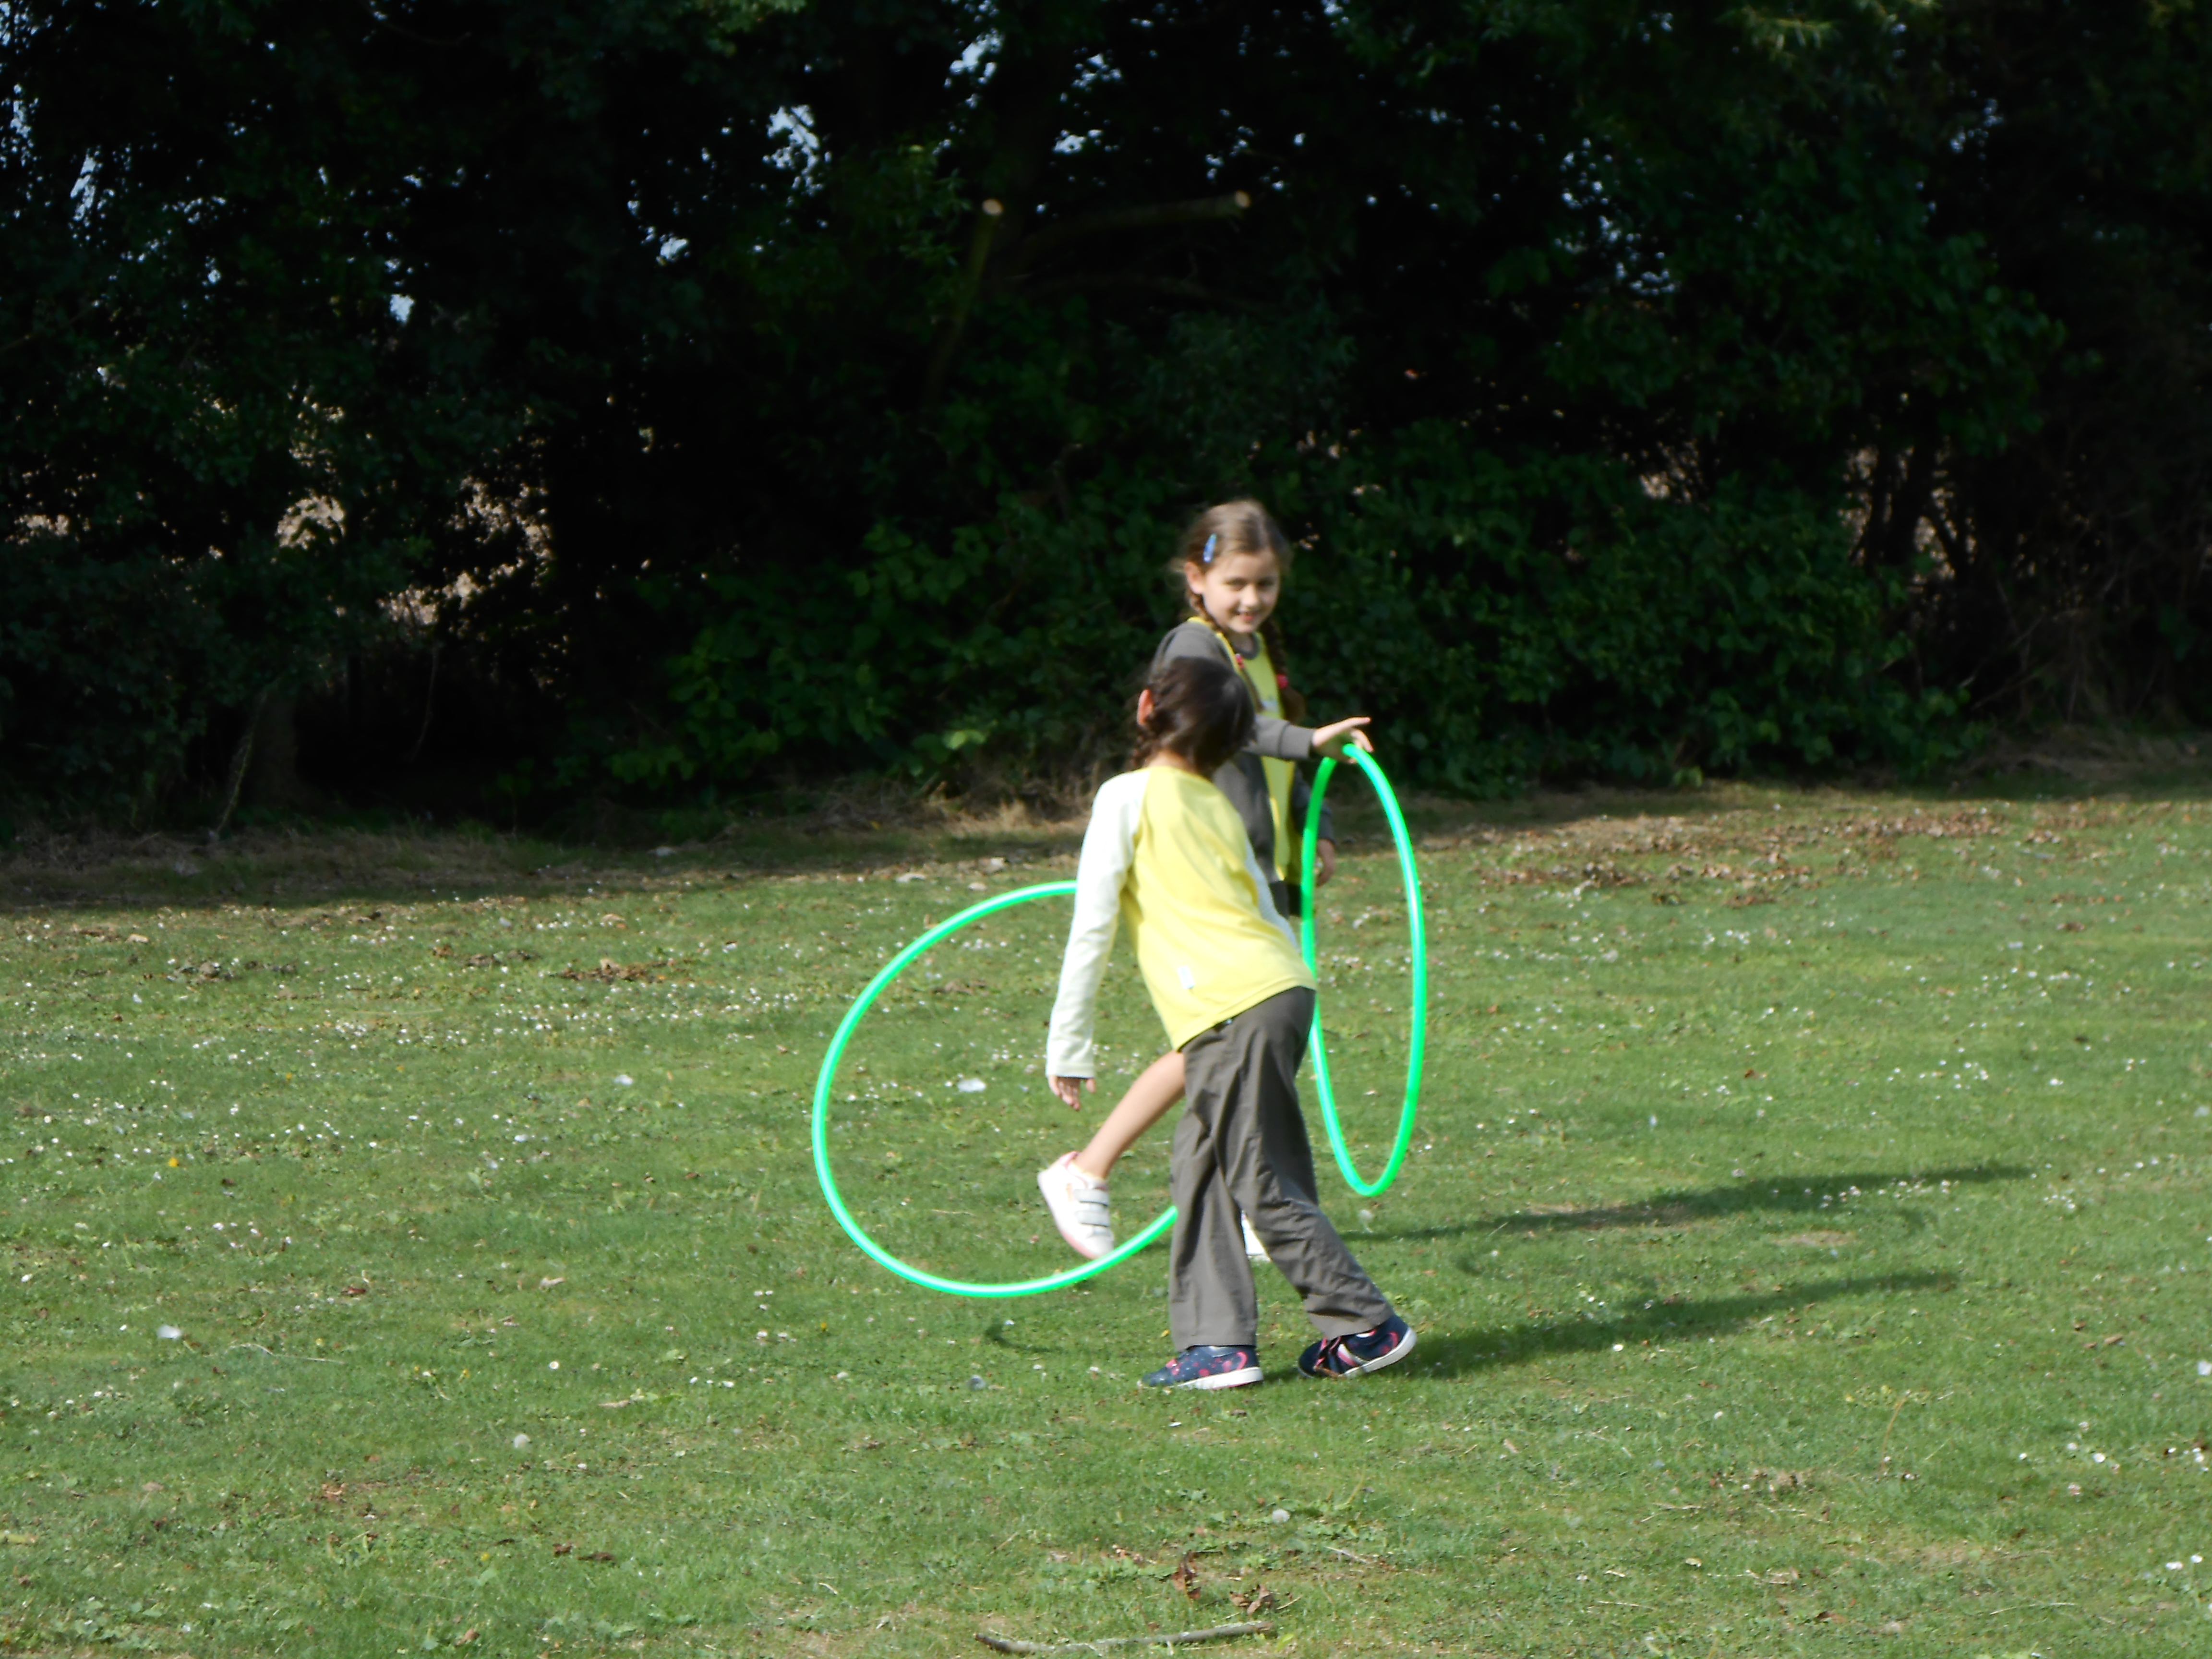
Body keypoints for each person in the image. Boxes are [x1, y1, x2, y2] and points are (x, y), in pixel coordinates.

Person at [1042, 651, 1413, 1388]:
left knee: (1261, 1177)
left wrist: (1070, 1045)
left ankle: (1366, 1324)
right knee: (1203, 1166)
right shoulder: (1218, 803)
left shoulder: (1124, 797)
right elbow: (1262, 905)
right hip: (1278, 991)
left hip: (1230, 1007)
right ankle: (1218, 1345)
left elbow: (1093, 927)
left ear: (1146, 708)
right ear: (1234, 741)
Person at [1038, 500, 1372, 1262]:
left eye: (1267, 585)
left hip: (1248, 870)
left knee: (1252, 1041)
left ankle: (1239, 1191)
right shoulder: (1195, 645)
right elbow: (1237, 732)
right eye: (1237, 583)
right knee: (1226, 1042)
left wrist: (1307, 833)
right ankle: (1094, 1170)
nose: (1252, 599)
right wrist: (1308, 741)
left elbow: (1269, 768)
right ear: (1196, 577)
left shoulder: (1252, 651)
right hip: (1199, 875)